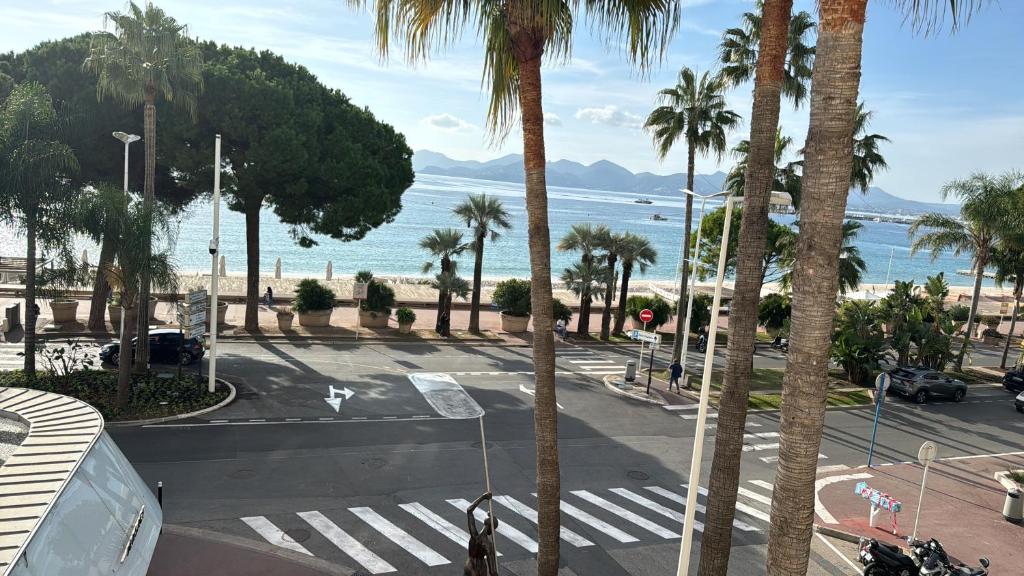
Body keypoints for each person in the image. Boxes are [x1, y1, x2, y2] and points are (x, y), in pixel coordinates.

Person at [464, 492, 498, 576]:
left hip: (469, 566)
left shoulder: (474, 535)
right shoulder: (488, 545)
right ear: (492, 530)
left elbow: (469, 510)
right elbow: (492, 571)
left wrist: (483, 497)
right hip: (480, 570)